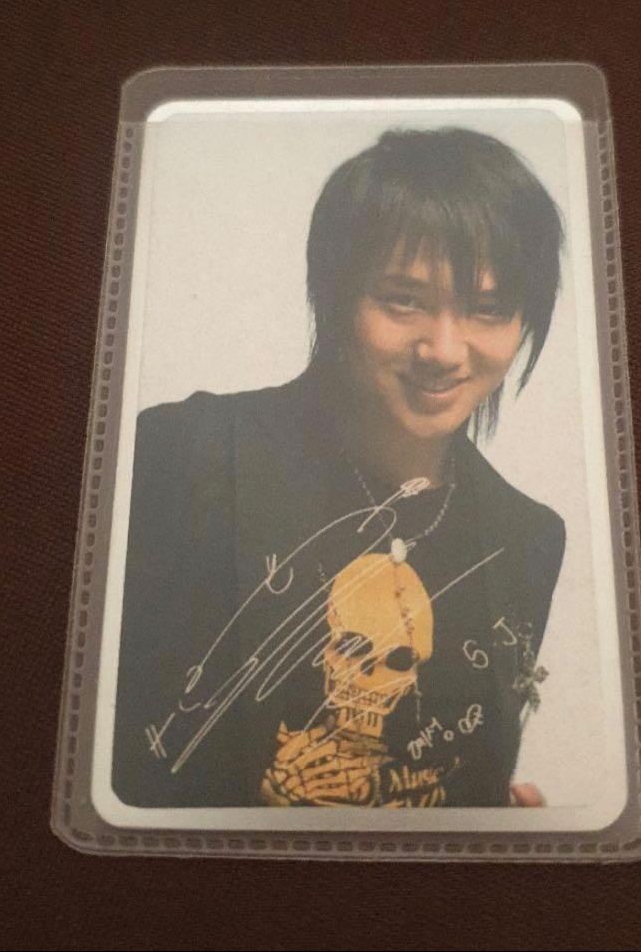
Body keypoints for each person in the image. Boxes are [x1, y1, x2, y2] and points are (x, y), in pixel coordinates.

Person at [111, 127, 566, 809]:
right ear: (334, 295)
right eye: (403, 299)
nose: (445, 349)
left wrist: (490, 822)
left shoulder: (526, 537)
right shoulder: (186, 453)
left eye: (488, 309)